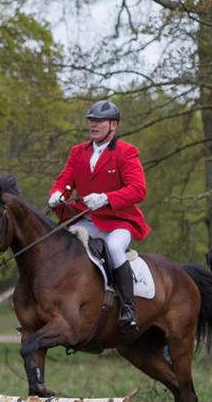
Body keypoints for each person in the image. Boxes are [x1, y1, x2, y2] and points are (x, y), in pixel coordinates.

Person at [47, 100, 150, 330]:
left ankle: (128, 308)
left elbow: (138, 189)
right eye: (91, 121)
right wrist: (56, 194)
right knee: (61, 245)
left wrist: (106, 198)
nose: (93, 125)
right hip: (88, 220)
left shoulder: (126, 152)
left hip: (118, 222)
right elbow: (64, 181)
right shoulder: (78, 152)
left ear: (113, 125)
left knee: (114, 247)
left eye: (99, 121)